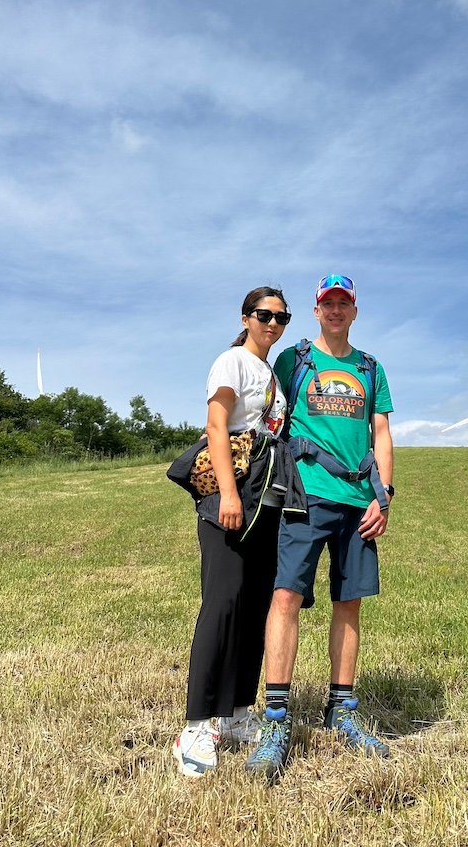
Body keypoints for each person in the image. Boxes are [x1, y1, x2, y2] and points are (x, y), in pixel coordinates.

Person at [245, 274, 394, 778]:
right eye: (327, 303)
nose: (335, 310)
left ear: (355, 311)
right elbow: (261, 400)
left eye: (343, 304)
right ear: (316, 311)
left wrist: (385, 496)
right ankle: (276, 720)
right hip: (305, 496)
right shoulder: (295, 360)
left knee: (348, 604)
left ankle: (342, 711)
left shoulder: (371, 369)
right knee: (285, 596)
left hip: (359, 503)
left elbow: (381, 433)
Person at [173, 286, 294, 778]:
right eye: (264, 315)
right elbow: (216, 426)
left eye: (281, 317)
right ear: (245, 318)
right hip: (234, 495)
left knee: (253, 607)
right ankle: (197, 724)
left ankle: (238, 712)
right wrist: (226, 493)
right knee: (222, 604)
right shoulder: (232, 361)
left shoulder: (271, 374)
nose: (272, 323)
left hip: (270, 499)